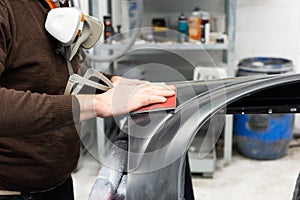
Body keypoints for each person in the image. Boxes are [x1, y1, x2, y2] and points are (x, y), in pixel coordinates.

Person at [0, 0, 175, 199]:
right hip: (11, 191)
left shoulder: (53, 4)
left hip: (56, 183)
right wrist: (99, 104)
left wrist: (109, 84)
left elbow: (50, 74)